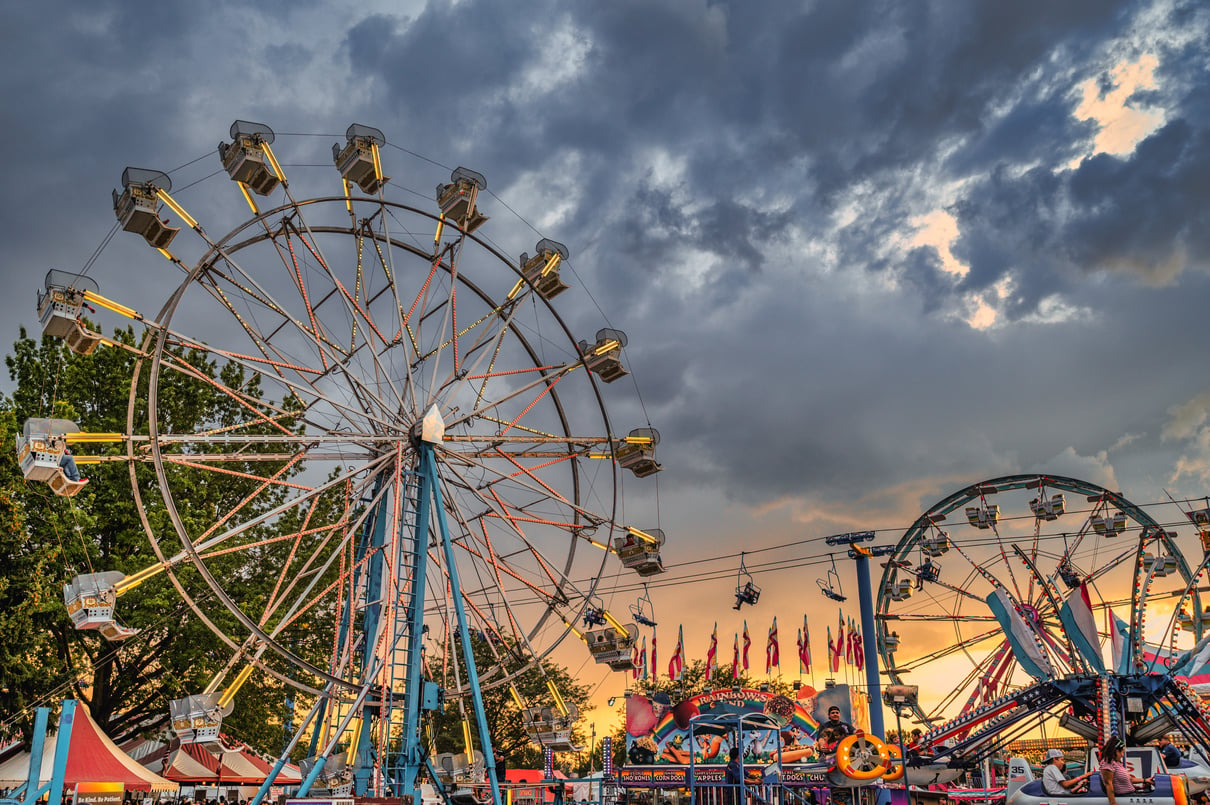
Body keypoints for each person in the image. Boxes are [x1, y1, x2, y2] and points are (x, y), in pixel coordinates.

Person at [1101, 735, 1153, 805]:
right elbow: (1108, 783)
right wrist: (1113, 803)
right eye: (1122, 752)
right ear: (1116, 752)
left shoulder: (1117, 763)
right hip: (1123, 797)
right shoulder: (1107, 763)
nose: (1122, 755)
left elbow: (1129, 779)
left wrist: (1145, 780)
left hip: (1131, 794)